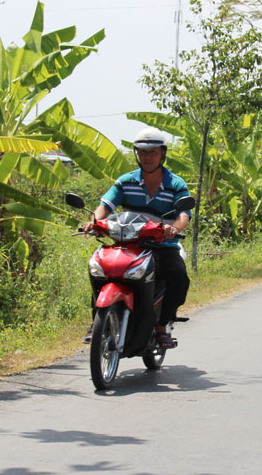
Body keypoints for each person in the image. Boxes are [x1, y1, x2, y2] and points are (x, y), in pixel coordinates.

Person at [82, 127, 192, 348]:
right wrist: (93, 221)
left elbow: (184, 215)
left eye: (152, 152)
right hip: (128, 244)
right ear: (136, 155)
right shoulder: (125, 181)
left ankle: (161, 327)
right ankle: (97, 319)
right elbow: (106, 206)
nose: (147, 157)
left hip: (162, 245)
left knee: (179, 277)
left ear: (162, 153)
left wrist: (174, 228)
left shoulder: (176, 184)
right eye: (142, 152)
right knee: (99, 269)